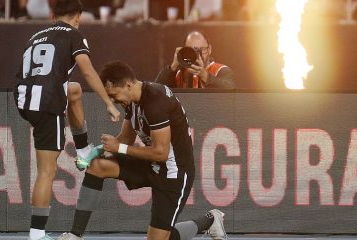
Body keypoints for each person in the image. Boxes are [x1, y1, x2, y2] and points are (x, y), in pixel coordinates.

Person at [57, 61, 228, 240]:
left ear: (128, 85)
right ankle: (75, 235)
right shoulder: (131, 101)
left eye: (113, 95)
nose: (113, 101)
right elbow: (125, 139)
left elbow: (160, 152)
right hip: (152, 164)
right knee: (98, 166)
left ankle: (208, 220)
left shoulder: (156, 102)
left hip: (173, 173)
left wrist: (119, 148)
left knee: (158, 239)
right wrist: (94, 152)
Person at [13, 0, 120, 239]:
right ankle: (37, 234)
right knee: (46, 172)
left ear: (53, 15)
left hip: (26, 98)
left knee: (74, 90)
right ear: (78, 17)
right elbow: (88, 70)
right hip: (48, 104)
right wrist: (109, 103)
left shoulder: (36, 36)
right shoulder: (74, 34)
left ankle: (83, 151)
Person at [155, 31, 235, 89]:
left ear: (210, 49)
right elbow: (157, 91)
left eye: (202, 50)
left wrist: (204, 75)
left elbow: (231, 92)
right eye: (192, 51)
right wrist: (173, 66)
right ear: (184, 50)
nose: (198, 55)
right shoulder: (179, 73)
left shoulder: (221, 70)